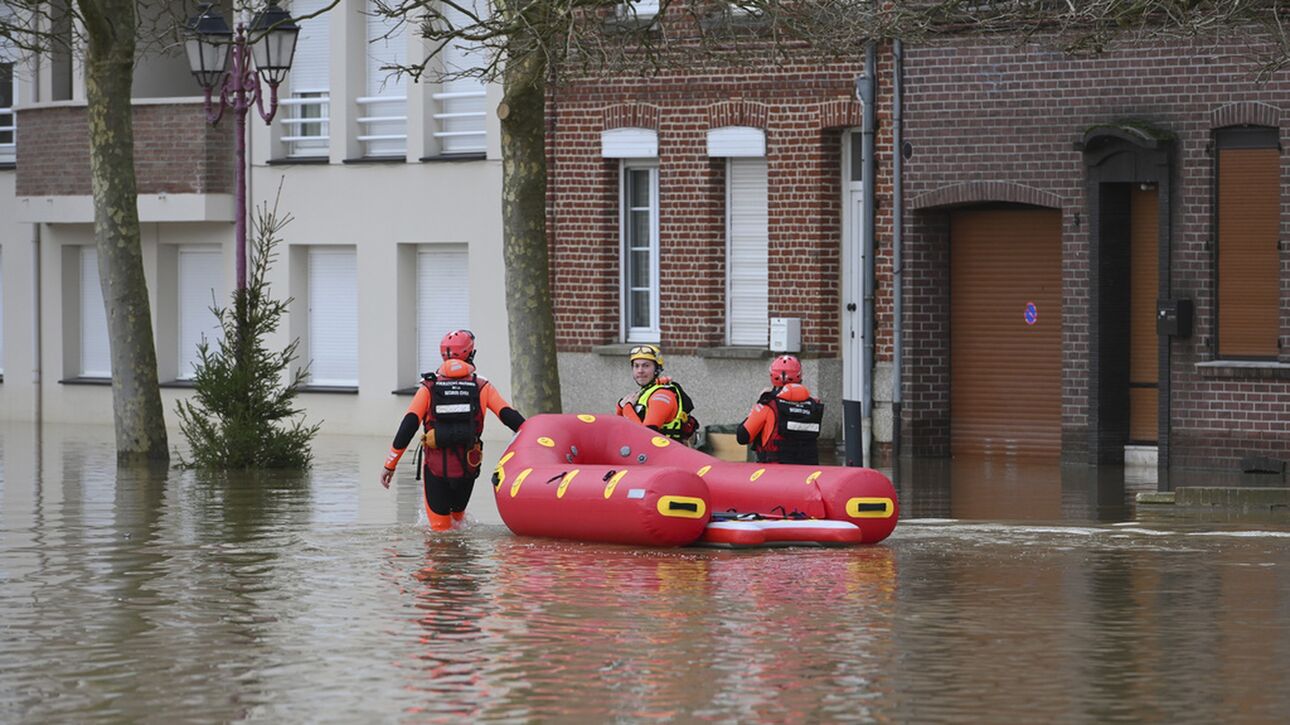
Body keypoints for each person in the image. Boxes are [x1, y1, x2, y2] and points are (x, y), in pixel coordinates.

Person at [380, 329, 525, 531]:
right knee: (459, 527)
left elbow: (409, 425)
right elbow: (511, 418)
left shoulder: (428, 387)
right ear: (470, 354)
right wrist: (541, 435)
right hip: (467, 469)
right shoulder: (482, 386)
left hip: (435, 469)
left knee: (440, 532)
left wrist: (390, 464)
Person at [736, 354, 824, 465]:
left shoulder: (768, 405)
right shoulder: (813, 406)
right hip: (807, 474)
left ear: (772, 375)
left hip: (775, 473)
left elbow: (742, 437)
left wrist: (758, 404)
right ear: (799, 376)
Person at [615, 344, 698, 443]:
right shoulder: (645, 392)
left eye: (646, 366)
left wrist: (627, 408)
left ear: (656, 369)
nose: (640, 370)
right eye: (636, 366)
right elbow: (620, 424)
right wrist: (621, 407)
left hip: (665, 454)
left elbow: (647, 434)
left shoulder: (661, 395)